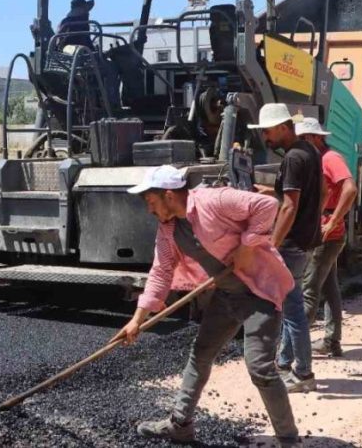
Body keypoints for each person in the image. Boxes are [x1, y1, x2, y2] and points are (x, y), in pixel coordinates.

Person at [116, 165, 301, 446]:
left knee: (260, 367)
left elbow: (268, 204)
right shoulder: (168, 229)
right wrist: (136, 320)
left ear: (168, 195)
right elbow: (161, 271)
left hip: (259, 293)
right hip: (226, 295)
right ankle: (180, 424)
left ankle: (288, 439)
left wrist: (248, 245)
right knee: (200, 353)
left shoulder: (213, 200)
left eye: (150, 202)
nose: (149, 210)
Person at [249, 103, 326, 393]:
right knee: (291, 305)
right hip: (305, 239)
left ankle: (304, 374)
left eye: (268, 131)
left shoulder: (293, 158)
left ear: (284, 127)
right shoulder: (310, 152)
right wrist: (270, 192)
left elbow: (291, 206)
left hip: (292, 244)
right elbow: (309, 195)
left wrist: (272, 244)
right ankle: (284, 361)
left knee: (292, 310)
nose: (266, 137)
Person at [296, 117, 358, 357]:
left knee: (308, 291)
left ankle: (293, 353)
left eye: (303, 139)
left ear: (316, 138)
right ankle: (332, 341)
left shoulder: (330, 158)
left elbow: (350, 188)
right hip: (323, 232)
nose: (300, 144)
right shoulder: (316, 160)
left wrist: (332, 222)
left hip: (327, 235)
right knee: (330, 288)